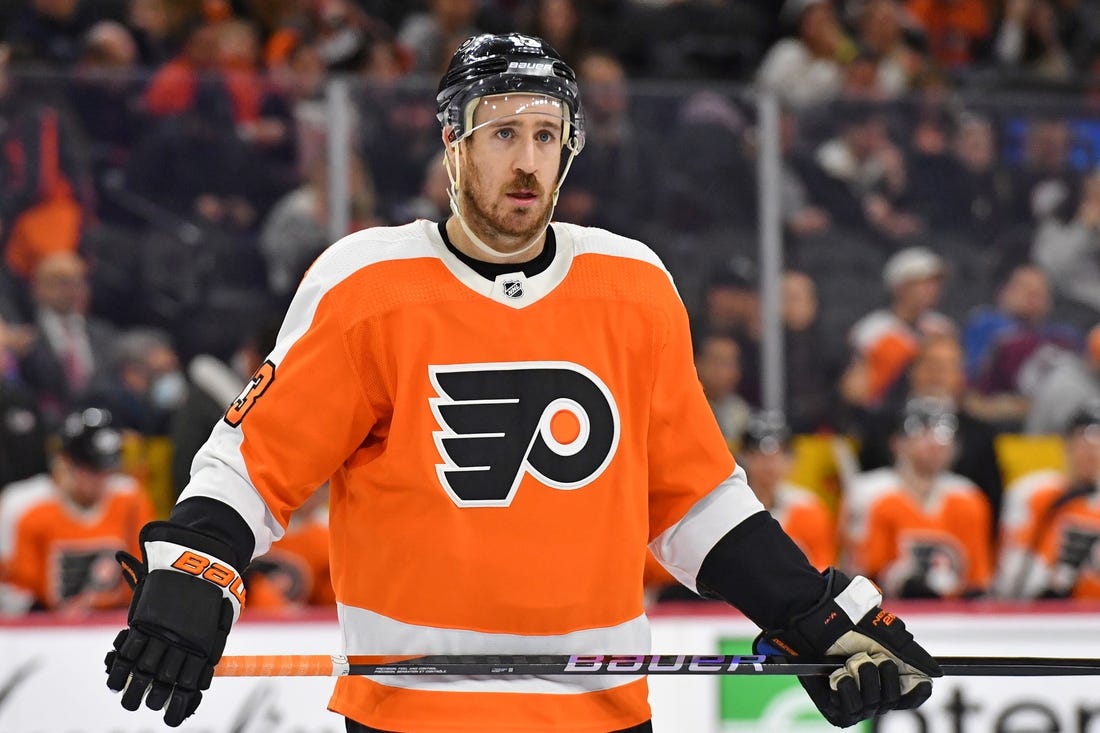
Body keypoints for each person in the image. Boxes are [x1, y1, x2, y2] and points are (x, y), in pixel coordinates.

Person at [104, 33, 940, 732]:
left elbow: (689, 498)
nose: (527, 161)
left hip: (600, 713)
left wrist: (813, 613)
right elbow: (254, 465)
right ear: (453, 143)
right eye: (502, 133)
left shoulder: (632, 285)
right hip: (412, 714)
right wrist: (198, 564)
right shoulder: (369, 284)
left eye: (547, 135)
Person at [0, 408, 153, 614]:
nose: (100, 480)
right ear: (64, 462)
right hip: (50, 628)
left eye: (106, 470)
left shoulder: (130, 500)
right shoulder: (27, 507)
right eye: (90, 470)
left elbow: (146, 575)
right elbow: (17, 592)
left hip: (117, 623)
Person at [844, 397, 994, 599]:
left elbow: (977, 583)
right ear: (897, 442)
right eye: (922, 432)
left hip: (956, 617)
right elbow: (861, 576)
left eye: (942, 434)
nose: (934, 442)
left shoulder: (968, 497)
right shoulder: (870, 494)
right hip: (887, 612)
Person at [995, 399, 1100, 599]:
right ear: (1067, 444)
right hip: (1044, 614)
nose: (1092, 450)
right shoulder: (1035, 492)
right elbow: (1012, 573)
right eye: (1084, 440)